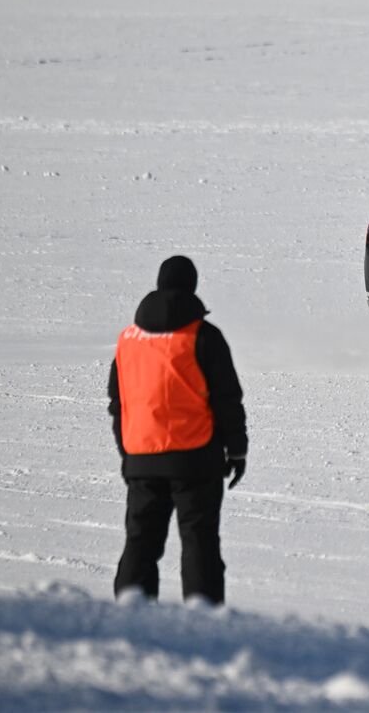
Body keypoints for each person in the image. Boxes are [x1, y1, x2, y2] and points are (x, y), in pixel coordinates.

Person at [108, 255, 247, 605]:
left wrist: (128, 450)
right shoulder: (203, 336)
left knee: (140, 544)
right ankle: (202, 622)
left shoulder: (129, 339)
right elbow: (226, 398)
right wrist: (237, 449)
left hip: (142, 457)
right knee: (199, 542)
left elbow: (118, 401)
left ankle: (129, 617)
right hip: (195, 460)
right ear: (193, 286)